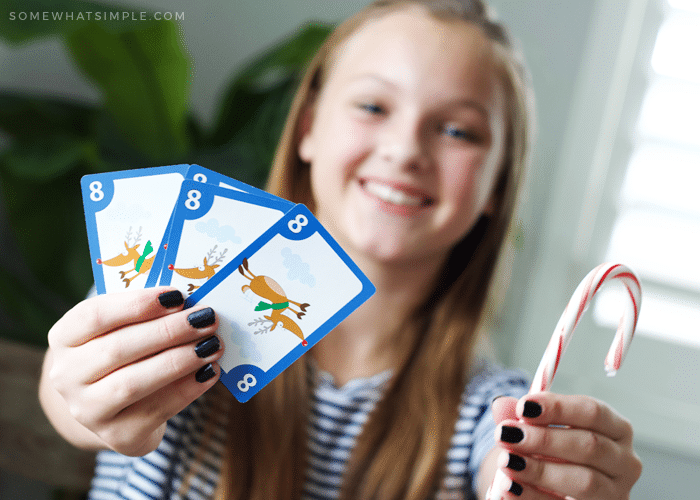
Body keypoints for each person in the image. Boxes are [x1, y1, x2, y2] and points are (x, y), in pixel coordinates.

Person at [39, 1, 643, 498]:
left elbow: (504, 469)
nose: (405, 150)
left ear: (497, 186)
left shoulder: (491, 413)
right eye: (373, 106)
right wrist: (85, 396)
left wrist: (546, 481)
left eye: (458, 129)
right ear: (307, 130)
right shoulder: (172, 289)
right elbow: (65, 402)